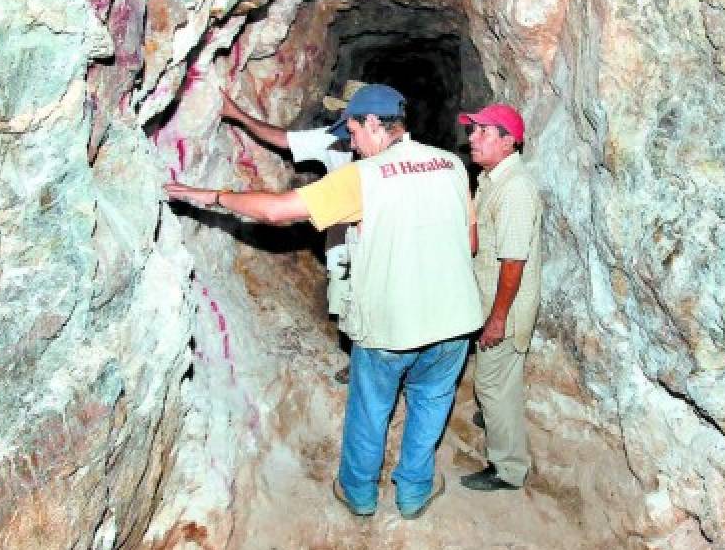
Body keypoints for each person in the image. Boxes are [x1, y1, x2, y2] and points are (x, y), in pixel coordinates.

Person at [165, 84, 483, 519]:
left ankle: (359, 493)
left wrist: (208, 196)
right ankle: (413, 492)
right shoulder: (451, 164)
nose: (350, 143)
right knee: (430, 405)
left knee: (371, 410)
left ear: (374, 124)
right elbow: (469, 241)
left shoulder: (363, 177)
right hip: (455, 321)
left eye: (352, 131)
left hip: (393, 326)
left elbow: (276, 211)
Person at [220, 81, 365, 383]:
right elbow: (283, 139)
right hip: (343, 241)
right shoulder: (333, 139)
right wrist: (239, 116)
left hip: (380, 239)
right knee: (346, 301)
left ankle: (383, 365)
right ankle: (359, 363)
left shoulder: (391, 158)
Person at [458, 104, 543, 493]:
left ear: (508, 142)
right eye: (472, 131)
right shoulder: (492, 179)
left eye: (482, 132)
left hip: (504, 311)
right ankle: (497, 421)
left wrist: (496, 320)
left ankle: (509, 468)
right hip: (490, 301)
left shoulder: (515, 191)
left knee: (494, 385)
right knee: (496, 384)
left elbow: (513, 263)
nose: (472, 138)